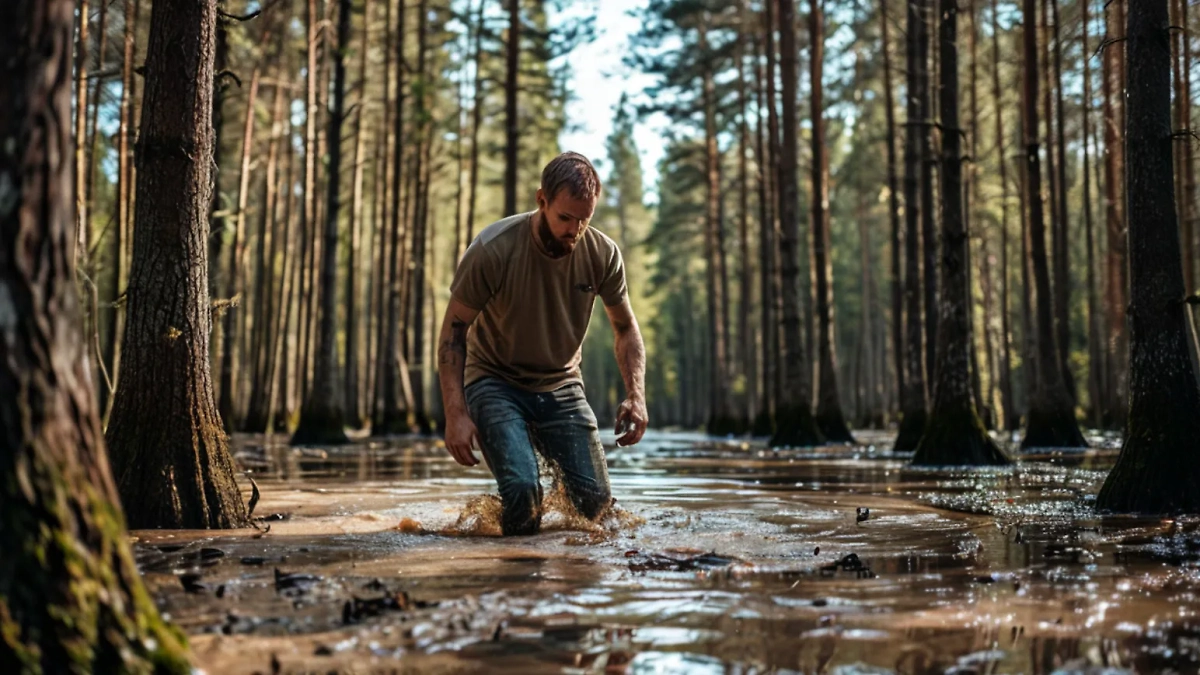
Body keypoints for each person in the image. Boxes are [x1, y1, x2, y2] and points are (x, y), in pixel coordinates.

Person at [437, 152, 648, 536]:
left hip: (562, 385)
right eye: (565, 218)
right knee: (522, 491)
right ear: (541, 201)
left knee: (595, 507)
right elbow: (453, 330)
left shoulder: (603, 254)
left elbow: (625, 328)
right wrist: (455, 412)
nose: (574, 230)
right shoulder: (493, 249)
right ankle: (517, 580)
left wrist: (636, 395)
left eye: (585, 219)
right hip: (494, 381)